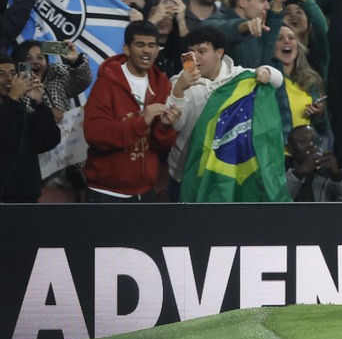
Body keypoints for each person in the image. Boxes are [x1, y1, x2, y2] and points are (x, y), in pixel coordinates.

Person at [165, 26, 283, 201]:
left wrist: (266, 70)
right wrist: (179, 89)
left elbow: (277, 79)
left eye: (202, 51)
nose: (195, 57)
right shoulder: (179, 82)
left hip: (229, 173)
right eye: (191, 52)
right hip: (186, 173)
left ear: (219, 52)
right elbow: (176, 124)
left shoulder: (241, 77)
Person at [82, 20, 181, 202]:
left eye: (152, 45)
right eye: (140, 45)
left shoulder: (161, 85)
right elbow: (95, 134)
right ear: (127, 49)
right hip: (106, 193)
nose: (147, 51)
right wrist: (142, 121)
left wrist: (165, 127)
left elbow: (160, 146)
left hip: (144, 192)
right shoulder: (106, 83)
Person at [0, 55, 59, 203]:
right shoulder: (12, 108)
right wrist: (13, 98)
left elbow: (48, 141)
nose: (8, 79)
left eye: (13, 74)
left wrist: (39, 103)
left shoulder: (21, 111)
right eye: (1, 74)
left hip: (27, 199)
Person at [202, 0, 285, 68]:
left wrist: (278, 3)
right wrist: (244, 26)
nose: (267, 7)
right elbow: (217, 29)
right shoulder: (216, 21)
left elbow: (266, 54)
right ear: (242, 2)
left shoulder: (257, 28)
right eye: (262, 1)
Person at [285, 125, 342, 202]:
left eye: (315, 140)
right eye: (303, 141)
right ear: (289, 149)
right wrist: (298, 175)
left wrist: (338, 176)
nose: (310, 144)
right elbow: (277, 203)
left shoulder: (327, 172)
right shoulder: (280, 172)